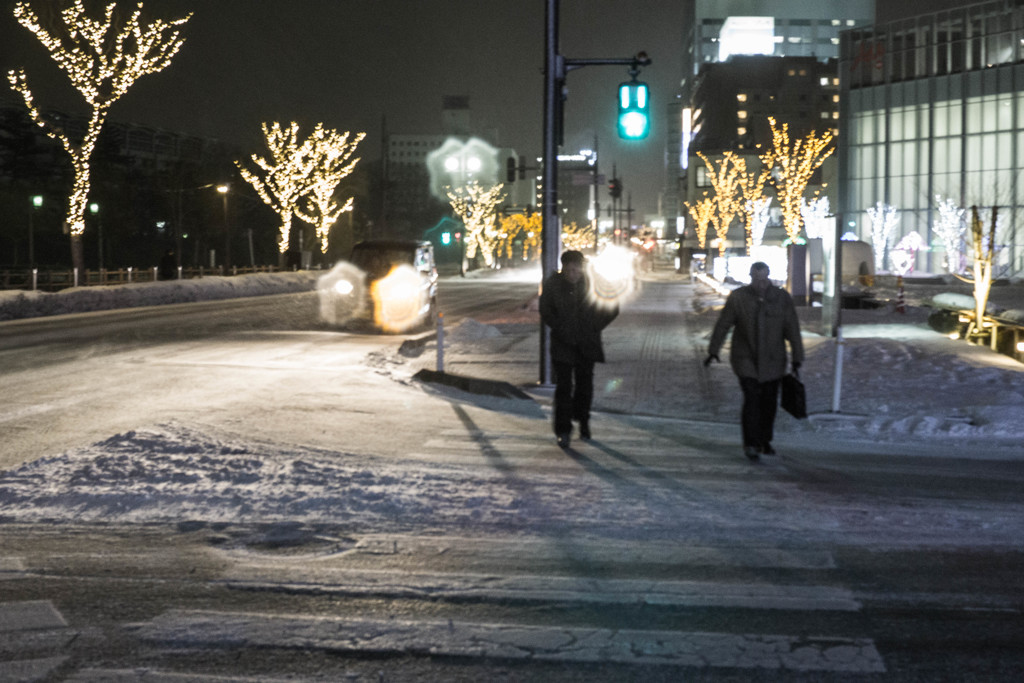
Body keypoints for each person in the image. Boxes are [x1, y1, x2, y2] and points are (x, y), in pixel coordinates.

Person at [705, 261, 804, 461]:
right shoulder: (739, 298)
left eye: (764, 278)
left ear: (769, 276)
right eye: (756, 278)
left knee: (768, 402)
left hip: (773, 360)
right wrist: (713, 349)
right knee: (752, 400)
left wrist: (797, 358)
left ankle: (764, 440)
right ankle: (751, 443)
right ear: (751, 277)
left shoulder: (781, 298)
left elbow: (792, 329)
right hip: (745, 358)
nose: (761, 283)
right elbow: (724, 324)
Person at [540, 250, 619, 449]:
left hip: (586, 344)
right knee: (564, 388)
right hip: (563, 344)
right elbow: (545, 309)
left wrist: (594, 327)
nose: (572, 272)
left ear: (582, 268)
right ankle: (563, 430)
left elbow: (612, 307)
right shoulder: (553, 285)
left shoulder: (596, 283)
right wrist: (559, 327)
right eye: (568, 268)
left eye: (576, 268)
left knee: (585, 386)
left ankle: (583, 421)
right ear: (563, 267)